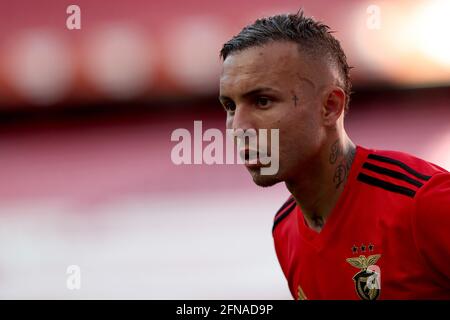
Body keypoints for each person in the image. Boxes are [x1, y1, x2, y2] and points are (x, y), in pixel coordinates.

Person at [218, 11, 450, 300]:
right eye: (230, 106)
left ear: (330, 107)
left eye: (262, 101)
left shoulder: (426, 203)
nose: (238, 127)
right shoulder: (285, 230)